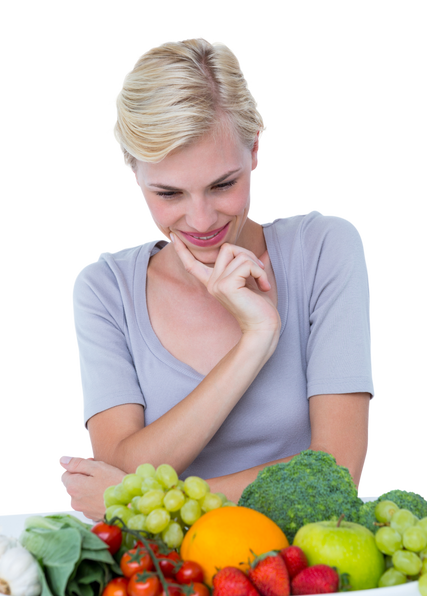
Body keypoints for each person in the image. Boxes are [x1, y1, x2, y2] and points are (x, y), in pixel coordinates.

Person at [59, 33, 376, 522]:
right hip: (163, 587)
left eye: (222, 185)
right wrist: (254, 342)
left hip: (302, 583)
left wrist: (157, 500)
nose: (201, 220)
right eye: (169, 194)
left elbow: (335, 474)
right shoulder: (105, 290)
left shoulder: (325, 249)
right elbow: (119, 464)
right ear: (132, 173)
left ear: (255, 149)